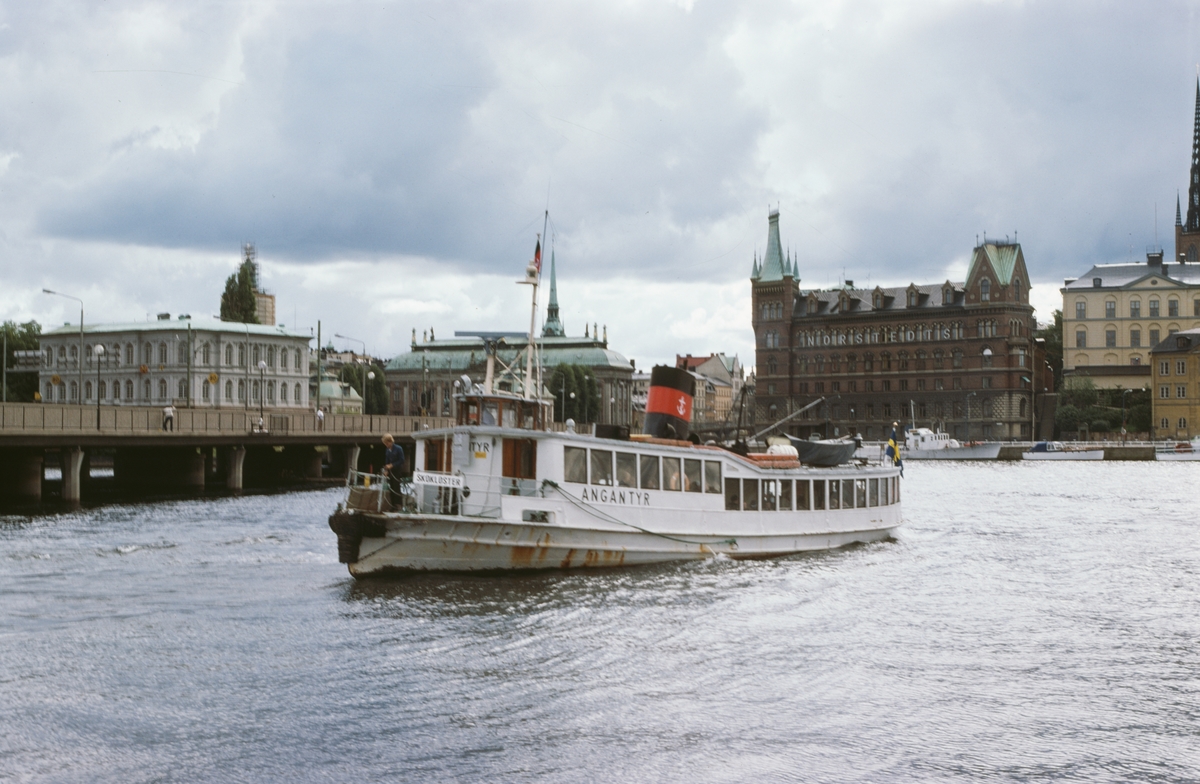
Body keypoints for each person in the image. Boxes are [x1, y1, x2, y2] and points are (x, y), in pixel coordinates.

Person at [381, 433, 405, 506]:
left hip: (397, 470)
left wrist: (392, 465)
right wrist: (386, 470)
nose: (386, 445)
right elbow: (387, 461)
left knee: (396, 487)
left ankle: (398, 504)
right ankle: (393, 505)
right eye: (385, 444)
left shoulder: (398, 448)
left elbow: (402, 460)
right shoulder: (387, 450)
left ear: (390, 441)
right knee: (391, 487)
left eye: (387, 443)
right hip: (390, 471)